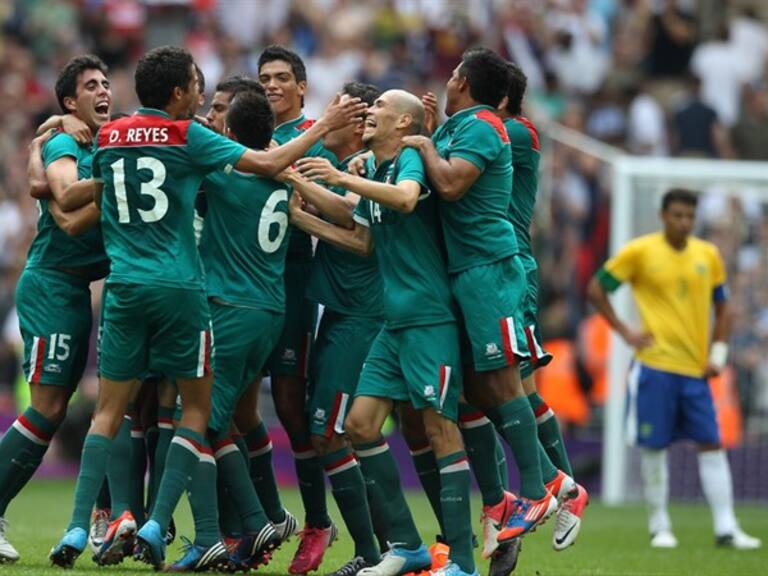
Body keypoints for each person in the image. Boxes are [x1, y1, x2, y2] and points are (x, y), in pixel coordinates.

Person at [47, 45, 365, 569]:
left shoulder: (112, 135)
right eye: (198, 88)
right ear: (178, 93)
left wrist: (55, 132)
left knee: (122, 411)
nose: (203, 101)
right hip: (193, 293)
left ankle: (86, 526)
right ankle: (169, 523)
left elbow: (82, 194)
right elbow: (264, 164)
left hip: (131, 287)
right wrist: (321, 130)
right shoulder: (193, 140)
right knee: (197, 414)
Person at [293, 89, 477, 576]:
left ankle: (461, 560)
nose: (368, 114)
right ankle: (407, 546)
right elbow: (366, 240)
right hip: (391, 324)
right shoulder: (371, 170)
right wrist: (303, 211)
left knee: (439, 429)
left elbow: (407, 200)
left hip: (427, 319)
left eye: (379, 110)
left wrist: (336, 176)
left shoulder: (411, 159)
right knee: (358, 426)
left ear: (403, 124)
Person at [402, 48, 563, 541]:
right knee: (478, 387)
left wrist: (425, 144)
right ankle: (511, 499)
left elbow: (449, 183)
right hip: (466, 268)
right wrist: (431, 136)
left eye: (453, 74)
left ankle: (548, 488)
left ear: (467, 82)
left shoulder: (502, 128)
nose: (446, 80)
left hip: (494, 266)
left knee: (509, 382)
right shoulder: (464, 127)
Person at [587, 188, 762, 551]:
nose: (683, 222)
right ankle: (659, 526)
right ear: (663, 216)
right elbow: (597, 289)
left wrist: (718, 352)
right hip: (654, 368)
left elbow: (724, 308)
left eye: (689, 216)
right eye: (677, 215)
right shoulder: (640, 252)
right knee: (655, 447)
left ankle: (727, 528)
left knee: (711, 443)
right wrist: (626, 332)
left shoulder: (708, 255)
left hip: (695, 371)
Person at [0, 55, 112, 564]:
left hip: (75, 291)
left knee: (68, 408)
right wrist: (117, 181)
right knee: (45, 409)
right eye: (91, 85)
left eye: (107, 82)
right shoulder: (67, 141)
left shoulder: (105, 144)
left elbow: (41, 184)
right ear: (70, 102)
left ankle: (110, 515)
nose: (104, 90)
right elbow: (67, 214)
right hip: (52, 286)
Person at [283, 81, 384, 576]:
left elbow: (362, 237)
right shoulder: (339, 162)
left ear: (359, 122)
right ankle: (384, 547)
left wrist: (304, 213)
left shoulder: (370, 167)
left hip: (364, 317)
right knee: (333, 431)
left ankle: (377, 550)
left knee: (332, 431)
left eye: (340, 110)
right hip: (338, 312)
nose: (329, 116)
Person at [498, 62, 589, 555]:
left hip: (505, 270)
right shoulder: (499, 129)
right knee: (509, 390)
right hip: (489, 270)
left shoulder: (512, 131)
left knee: (503, 387)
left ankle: (548, 490)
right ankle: (558, 491)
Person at [256, 44, 340, 574]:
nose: (271, 85)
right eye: (265, 77)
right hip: (240, 285)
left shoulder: (314, 140)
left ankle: (317, 521)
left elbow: (322, 204)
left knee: (290, 406)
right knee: (231, 405)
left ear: (303, 87)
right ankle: (257, 520)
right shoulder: (245, 132)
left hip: (291, 284)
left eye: (282, 77)